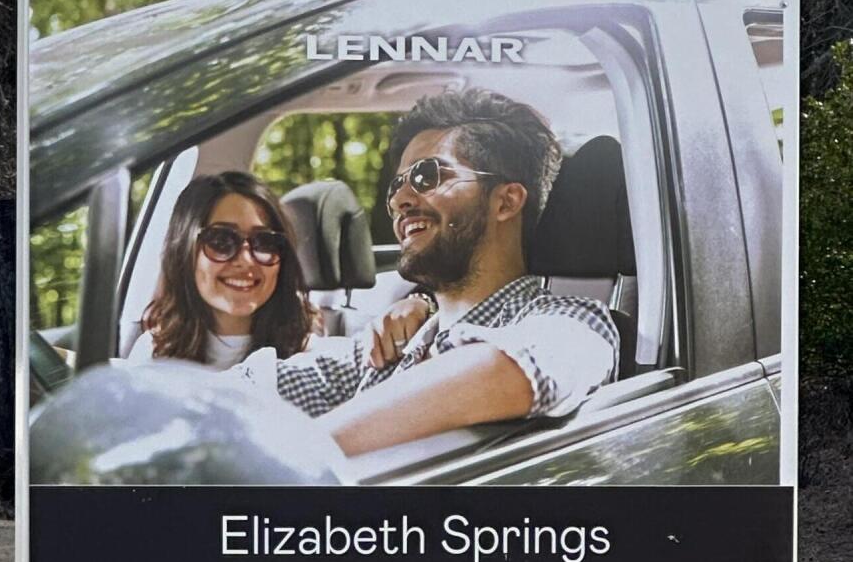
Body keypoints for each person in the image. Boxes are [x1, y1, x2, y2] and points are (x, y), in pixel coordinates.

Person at [240, 90, 618, 457]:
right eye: (397, 184)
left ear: (505, 202)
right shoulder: (389, 345)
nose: (399, 201)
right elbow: (246, 390)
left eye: (427, 176)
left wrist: (294, 458)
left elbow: (514, 368)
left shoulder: (573, 320)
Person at [127, 172, 316, 370]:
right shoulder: (152, 356)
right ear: (185, 250)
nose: (245, 261)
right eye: (221, 241)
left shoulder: (310, 361)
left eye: (264, 242)